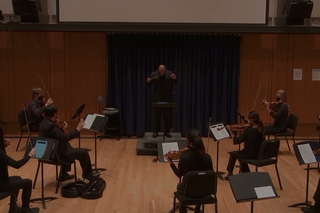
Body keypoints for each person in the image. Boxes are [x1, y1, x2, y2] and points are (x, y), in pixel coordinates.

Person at [39, 105, 100, 181]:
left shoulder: (43, 123)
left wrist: (60, 128)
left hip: (47, 153)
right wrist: (77, 129)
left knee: (68, 148)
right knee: (83, 153)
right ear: (55, 114)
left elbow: (56, 135)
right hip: (58, 155)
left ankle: (64, 175)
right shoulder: (52, 126)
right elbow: (64, 138)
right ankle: (88, 175)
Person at [166, 128, 213, 213]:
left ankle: (183, 209)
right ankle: (197, 209)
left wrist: (170, 163)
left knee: (180, 185)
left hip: (188, 192)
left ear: (188, 141)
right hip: (205, 191)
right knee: (200, 184)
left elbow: (179, 174)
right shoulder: (207, 157)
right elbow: (211, 175)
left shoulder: (184, 157)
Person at [0, 125, 39, 213]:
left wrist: (2, 143)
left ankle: (13, 208)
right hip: (1, 184)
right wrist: (30, 155)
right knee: (28, 182)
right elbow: (16, 164)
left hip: (2, 180)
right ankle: (26, 209)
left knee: (18, 178)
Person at [225, 111, 265, 180]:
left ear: (251, 120)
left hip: (250, 155)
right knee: (240, 156)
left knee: (233, 154)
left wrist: (230, 131)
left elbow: (237, 141)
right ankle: (246, 173)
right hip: (259, 154)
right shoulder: (261, 130)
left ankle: (230, 174)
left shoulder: (248, 132)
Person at [146, 65, 179, 138]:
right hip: (157, 99)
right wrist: (148, 81)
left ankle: (167, 132)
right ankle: (155, 132)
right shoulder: (153, 74)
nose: (162, 72)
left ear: (165, 70)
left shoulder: (170, 74)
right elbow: (148, 84)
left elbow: (176, 83)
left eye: (163, 71)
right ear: (158, 70)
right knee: (156, 116)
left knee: (167, 116)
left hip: (167, 99)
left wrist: (175, 78)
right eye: (160, 71)